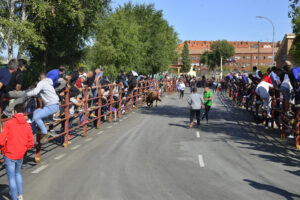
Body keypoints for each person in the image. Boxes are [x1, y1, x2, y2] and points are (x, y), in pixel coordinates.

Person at [0, 104, 34, 200]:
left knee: (11, 177)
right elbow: (31, 142)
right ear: (23, 112)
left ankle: (14, 198)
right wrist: (23, 148)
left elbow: (1, 140)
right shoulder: (27, 125)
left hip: (9, 153)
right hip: (20, 153)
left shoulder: (8, 123)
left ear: (14, 111)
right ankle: (20, 195)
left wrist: (3, 150)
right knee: (17, 173)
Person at [26, 72, 59, 143]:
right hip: (54, 105)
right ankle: (34, 130)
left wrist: (25, 94)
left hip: (51, 106)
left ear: (39, 78)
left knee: (37, 117)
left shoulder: (41, 83)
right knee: (35, 112)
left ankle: (44, 132)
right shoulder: (49, 83)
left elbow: (35, 92)